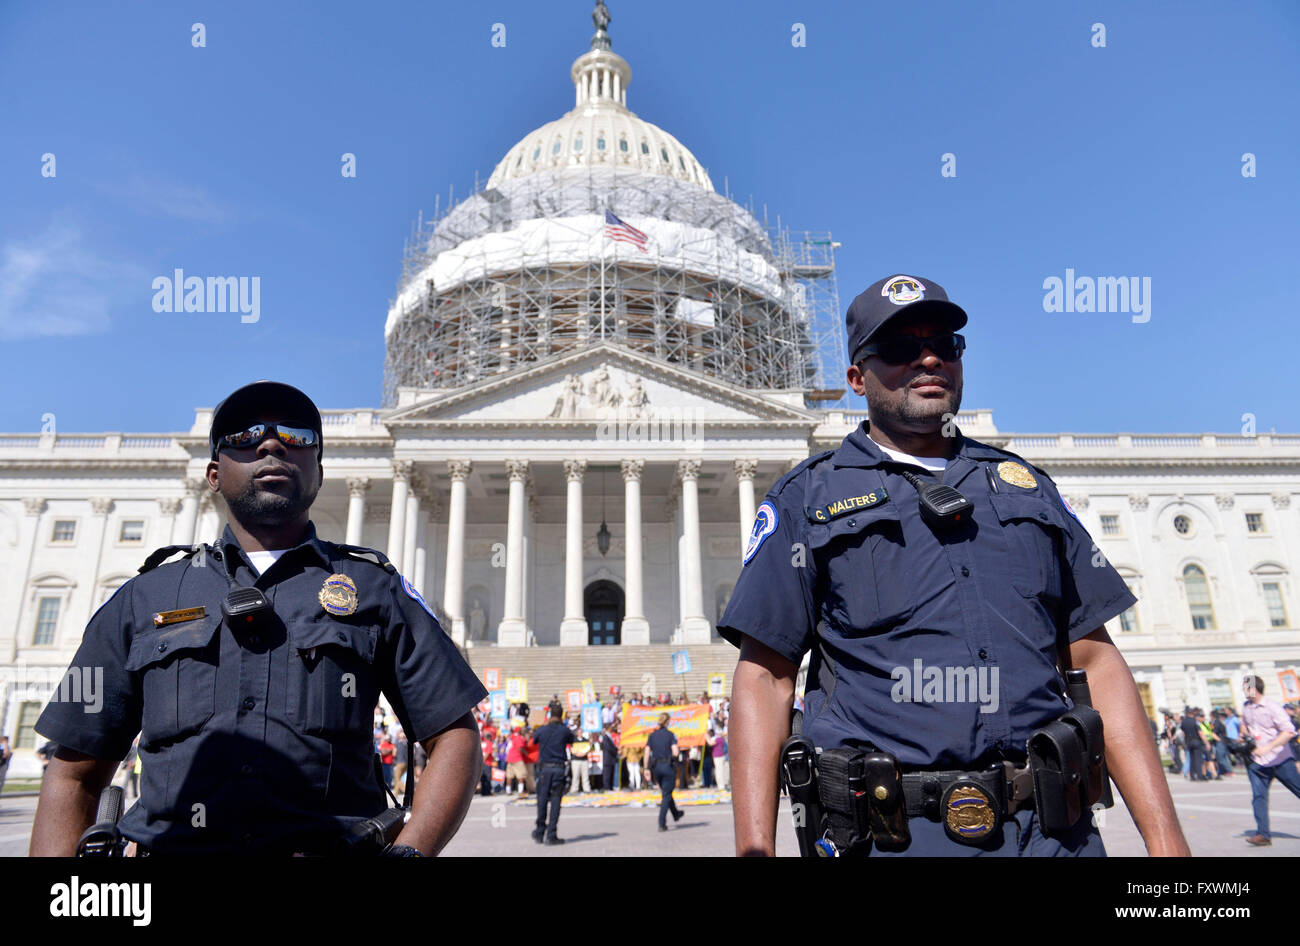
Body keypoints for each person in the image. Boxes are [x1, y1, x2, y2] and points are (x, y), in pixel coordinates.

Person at [720, 275, 1190, 857]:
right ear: (856, 379)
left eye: (945, 342)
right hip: (890, 836)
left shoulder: (1028, 488)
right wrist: (754, 849)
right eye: (897, 348)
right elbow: (765, 677)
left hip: (1051, 831)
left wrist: (1167, 843)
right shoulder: (805, 497)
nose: (928, 358)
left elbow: (1094, 659)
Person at [29, 380, 486, 856]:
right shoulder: (145, 597)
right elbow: (74, 771)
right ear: (212, 473)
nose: (271, 444)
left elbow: (454, 736)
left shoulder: (376, 591)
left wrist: (409, 853)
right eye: (245, 437)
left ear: (319, 471)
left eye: (296, 436)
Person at [1240, 675, 1300, 846]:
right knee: (1258, 797)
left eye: (1246, 687)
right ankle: (1263, 834)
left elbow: (1289, 731)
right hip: (1258, 762)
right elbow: (1244, 724)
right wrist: (1243, 733)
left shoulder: (1272, 707)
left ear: (1254, 688)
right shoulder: (1246, 707)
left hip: (1279, 758)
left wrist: (1268, 747)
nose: (1243, 690)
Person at [532, 705, 575, 845]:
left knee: (542, 801)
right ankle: (551, 835)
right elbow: (572, 740)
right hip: (558, 769)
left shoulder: (542, 730)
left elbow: (534, 741)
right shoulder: (565, 731)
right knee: (556, 802)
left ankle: (539, 833)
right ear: (562, 715)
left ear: (550, 715)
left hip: (544, 770)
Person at [647, 713, 683, 831]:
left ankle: (676, 813)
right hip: (667, 766)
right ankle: (661, 822)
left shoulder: (652, 735)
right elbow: (675, 752)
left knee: (666, 792)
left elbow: (647, 752)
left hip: (656, 767)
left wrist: (646, 768)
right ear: (667, 722)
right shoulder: (670, 735)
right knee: (666, 795)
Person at [600, 725, 620, 791]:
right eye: (612, 727)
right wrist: (615, 750)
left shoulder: (609, 736)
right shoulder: (605, 737)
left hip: (611, 759)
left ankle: (610, 787)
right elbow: (608, 747)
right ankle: (607, 788)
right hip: (607, 759)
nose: (613, 728)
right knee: (607, 775)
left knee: (611, 774)